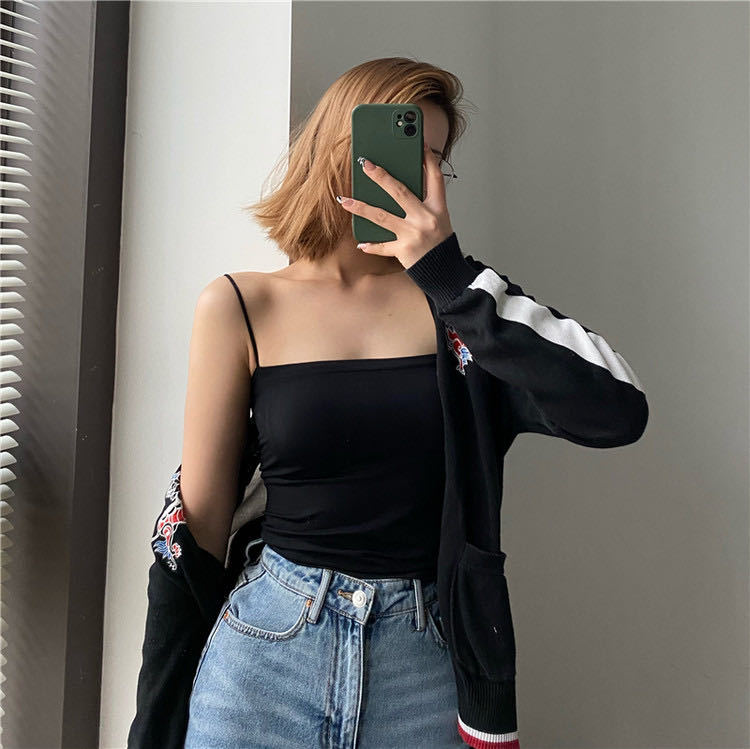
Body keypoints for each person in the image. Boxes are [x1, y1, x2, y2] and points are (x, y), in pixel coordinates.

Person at [129, 56, 648, 749]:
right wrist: (154, 727)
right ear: (338, 152)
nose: (420, 178)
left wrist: (451, 277)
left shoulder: (463, 308)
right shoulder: (242, 305)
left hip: (423, 670)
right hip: (264, 661)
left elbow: (618, 411)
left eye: (437, 161)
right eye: (403, 151)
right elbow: (193, 538)